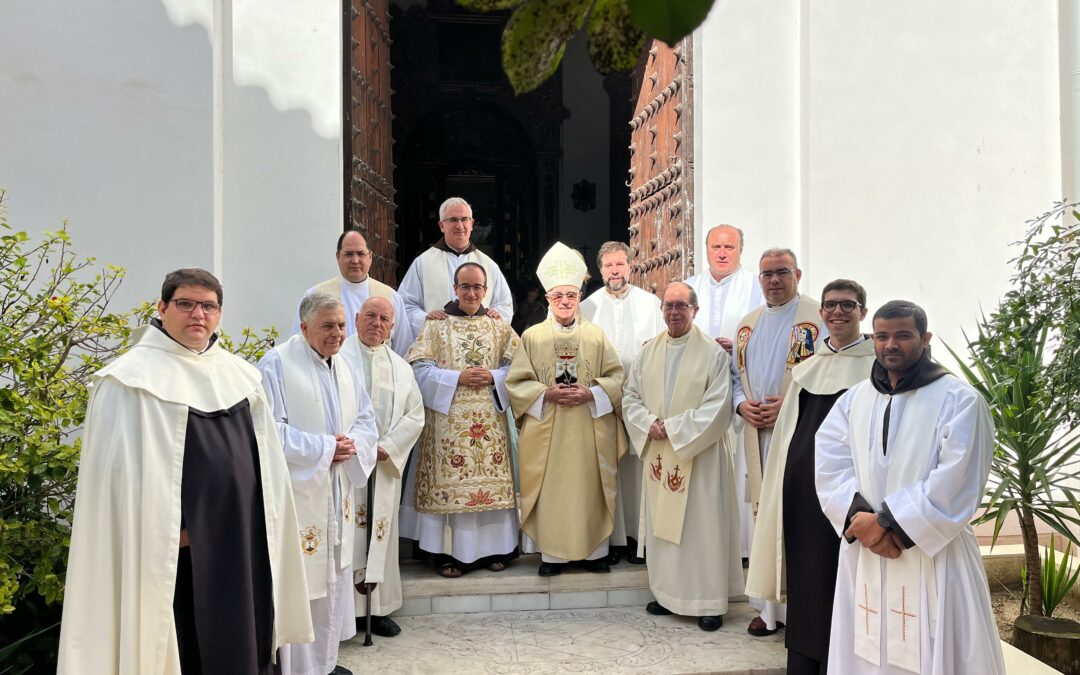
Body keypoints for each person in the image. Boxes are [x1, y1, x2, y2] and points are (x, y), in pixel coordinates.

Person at [58, 268, 313, 675]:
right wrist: (166, 528)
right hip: (173, 551)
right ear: (162, 309)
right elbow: (118, 479)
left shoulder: (241, 376)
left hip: (244, 539)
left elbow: (266, 464)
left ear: (219, 314)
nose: (199, 314)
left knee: (245, 639)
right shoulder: (127, 382)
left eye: (209, 306)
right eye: (186, 304)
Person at [815, 300, 1005, 674]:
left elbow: (958, 479)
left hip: (935, 553)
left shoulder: (960, 400)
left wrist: (886, 524)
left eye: (903, 335)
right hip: (866, 551)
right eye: (882, 336)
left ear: (925, 337)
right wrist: (861, 520)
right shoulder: (854, 400)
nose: (891, 345)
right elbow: (829, 465)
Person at [746, 279, 876, 673]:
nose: (838, 312)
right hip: (803, 493)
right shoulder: (807, 367)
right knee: (808, 578)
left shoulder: (876, 367)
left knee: (846, 578)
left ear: (862, 313)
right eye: (831, 306)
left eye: (847, 306)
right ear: (820, 313)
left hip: (853, 492)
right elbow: (790, 435)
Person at [259, 292, 380, 675]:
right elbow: (267, 431)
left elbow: (365, 418)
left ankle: (326, 663)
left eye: (342, 325)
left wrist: (352, 445)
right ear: (304, 327)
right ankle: (297, 669)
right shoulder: (276, 364)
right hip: (300, 494)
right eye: (328, 325)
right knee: (303, 581)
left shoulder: (344, 365)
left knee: (334, 578)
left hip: (337, 489)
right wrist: (325, 447)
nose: (338, 333)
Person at [622, 282, 743, 631]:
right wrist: (648, 424)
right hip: (661, 456)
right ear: (661, 311)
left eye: (681, 306)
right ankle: (667, 595)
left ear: (695, 310)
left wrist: (672, 428)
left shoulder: (713, 354)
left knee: (702, 530)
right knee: (665, 528)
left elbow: (719, 407)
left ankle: (708, 602)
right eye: (669, 306)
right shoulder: (647, 353)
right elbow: (630, 397)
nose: (674, 312)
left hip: (700, 456)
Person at [507, 242, 626, 577]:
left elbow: (617, 377)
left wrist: (592, 392)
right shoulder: (531, 337)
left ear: (578, 298)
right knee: (553, 487)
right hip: (551, 430)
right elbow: (516, 383)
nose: (564, 302)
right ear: (547, 299)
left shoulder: (596, 336)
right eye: (557, 296)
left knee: (589, 487)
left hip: (589, 428)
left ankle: (594, 553)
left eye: (570, 296)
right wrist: (546, 393)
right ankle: (553, 556)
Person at [402, 262, 520, 578]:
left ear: (486, 290)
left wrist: (494, 376)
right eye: (464, 287)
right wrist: (457, 377)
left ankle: (498, 549)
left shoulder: (499, 327)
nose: (470, 293)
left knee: (491, 483)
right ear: (455, 288)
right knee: (452, 485)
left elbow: (521, 369)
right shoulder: (435, 326)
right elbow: (418, 369)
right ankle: (448, 554)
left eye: (477, 287)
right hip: (448, 427)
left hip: (490, 423)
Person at [733, 247, 826, 636]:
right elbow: (736, 378)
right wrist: (742, 407)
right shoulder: (748, 324)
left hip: (801, 436)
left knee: (798, 518)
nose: (774, 280)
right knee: (763, 520)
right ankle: (767, 609)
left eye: (782, 272)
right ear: (759, 279)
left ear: (798, 274)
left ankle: (801, 608)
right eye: (767, 274)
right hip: (758, 437)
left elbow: (827, 375)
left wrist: (788, 406)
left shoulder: (818, 319)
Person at [340, 297, 425, 639]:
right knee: (349, 537)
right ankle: (347, 614)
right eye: (370, 316)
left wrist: (387, 447)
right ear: (357, 319)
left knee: (380, 535)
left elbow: (415, 414)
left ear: (392, 327)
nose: (377, 323)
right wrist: (358, 447)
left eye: (384, 319)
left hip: (383, 464)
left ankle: (377, 610)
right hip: (347, 468)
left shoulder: (401, 367)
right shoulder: (338, 359)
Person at [684, 224, 765, 563]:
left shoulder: (756, 288)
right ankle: (706, 540)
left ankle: (743, 546)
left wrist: (739, 346)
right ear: (705, 249)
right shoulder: (690, 287)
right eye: (715, 246)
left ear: (740, 251)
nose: (721, 253)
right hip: (698, 389)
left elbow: (768, 332)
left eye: (729, 247)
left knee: (743, 466)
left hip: (742, 386)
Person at [580, 241, 663, 565]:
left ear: (631, 266)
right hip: (602, 401)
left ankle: (639, 538)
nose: (615, 271)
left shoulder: (651, 304)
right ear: (600, 271)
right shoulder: (588, 307)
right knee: (609, 467)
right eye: (609, 266)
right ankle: (613, 539)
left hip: (642, 399)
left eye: (620, 265)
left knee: (640, 468)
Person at [398, 197, 514, 337]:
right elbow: (405, 305)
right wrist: (426, 318)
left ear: (471, 224)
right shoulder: (422, 263)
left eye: (464, 219)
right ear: (441, 226)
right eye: (453, 220)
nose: (460, 225)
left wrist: (496, 314)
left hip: (480, 343)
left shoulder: (488, 265)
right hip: (438, 346)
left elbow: (504, 305)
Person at [294, 229, 414, 356]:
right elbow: (298, 346)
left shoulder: (391, 297)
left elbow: (404, 351)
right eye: (349, 254)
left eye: (361, 254)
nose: (355, 260)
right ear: (337, 257)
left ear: (370, 257)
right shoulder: (314, 296)